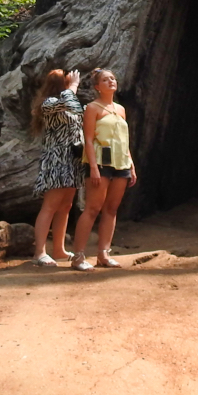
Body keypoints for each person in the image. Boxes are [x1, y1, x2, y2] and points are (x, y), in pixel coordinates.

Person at [71, 68, 136, 270]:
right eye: (105, 80)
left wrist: (131, 165)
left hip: (121, 163)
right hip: (100, 163)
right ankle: (79, 256)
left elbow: (124, 141)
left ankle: (103, 254)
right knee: (92, 208)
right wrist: (93, 168)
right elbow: (88, 139)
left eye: (113, 79)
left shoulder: (121, 109)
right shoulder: (92, 108)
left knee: (111, 209)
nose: (111, 82)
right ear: (97, 87)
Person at [30, 68, 83, 266]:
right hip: (56, 160)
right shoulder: (49, 103)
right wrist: (74, 85)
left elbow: (77, 112)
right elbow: (70, 104)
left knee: (66, 205)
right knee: (50, 206)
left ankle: (59, 249)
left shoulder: (68, 102)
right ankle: (39, 252)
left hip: (73, 160)